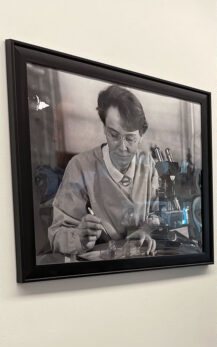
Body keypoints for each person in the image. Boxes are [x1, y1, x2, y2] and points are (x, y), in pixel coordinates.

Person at [48, 85, 159, 256]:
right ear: (104, 128)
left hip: (140, 269)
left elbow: (158, 212)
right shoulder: (80, 167)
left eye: (130, 138)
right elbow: (57, 235)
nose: (122, 147)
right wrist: (79, 237)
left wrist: (146, 230)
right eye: (114, 135)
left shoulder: (148, 164)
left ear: (142, 135)